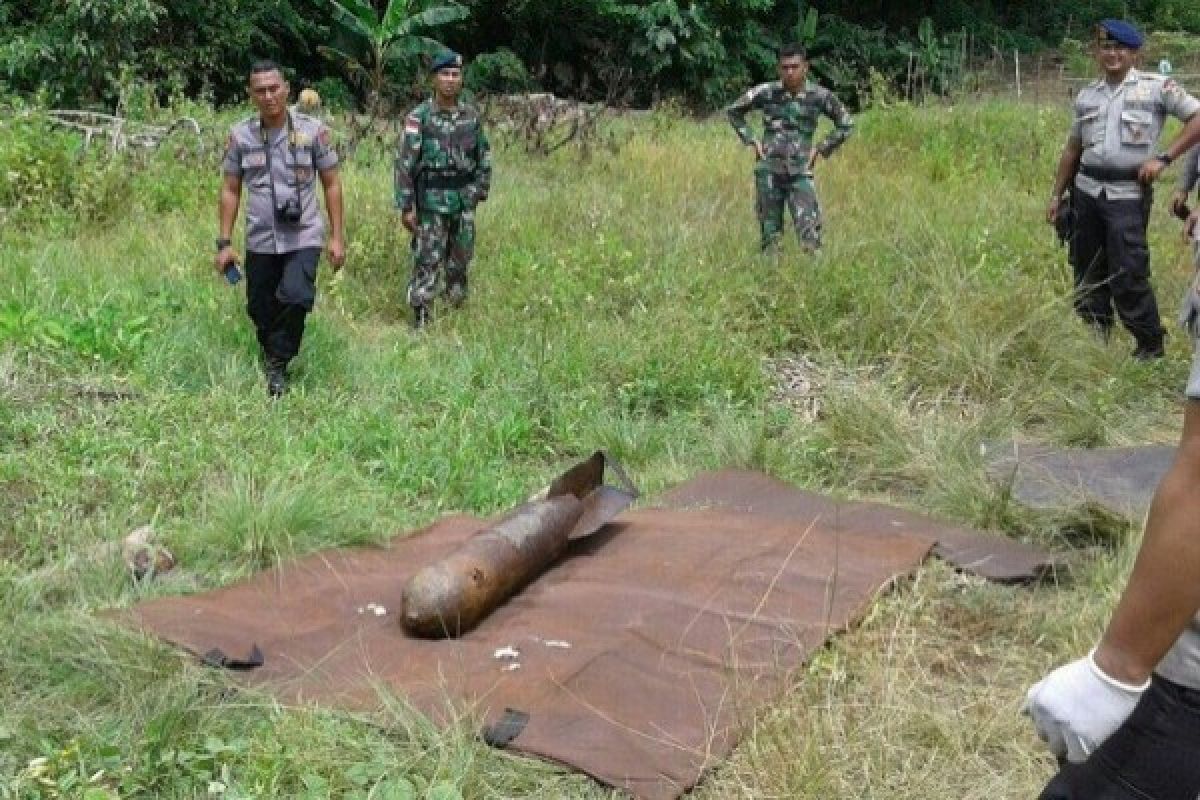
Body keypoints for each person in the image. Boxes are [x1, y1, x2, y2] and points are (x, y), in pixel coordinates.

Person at [1046, 20, 1200, 360]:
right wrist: (1057, 195)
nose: (1112, 54)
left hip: (1126, 195)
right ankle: (1095, 337)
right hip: (1086, 191)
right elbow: (1072, 150)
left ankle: (1149, 346)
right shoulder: (1088, 95)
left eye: (1120, 48)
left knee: (1128, 271)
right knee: (1086, 267)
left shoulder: (1157, 88)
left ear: (1134, 53)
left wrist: (1164, 158)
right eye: (1106, 47)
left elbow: (1197, 118)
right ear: (1097, 51)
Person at [215, 61, 345, 397]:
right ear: (251, 95)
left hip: (303, 233)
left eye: (274, 88)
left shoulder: (313, 131)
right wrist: (224, 243)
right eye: (261, 90)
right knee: (260, 305)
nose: (269, 96)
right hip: (261, 236)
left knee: (297, 296)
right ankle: (273, 348)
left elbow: (331, 183)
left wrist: (337, 236)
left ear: (287, 89)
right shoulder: (240, 135)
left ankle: (277, 365)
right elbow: (230, 189)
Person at [394, 50, 492, 329]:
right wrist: (406, 205)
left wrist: (477, 192)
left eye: (455, 74)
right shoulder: (419, 117)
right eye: (445, 74)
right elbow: (404, 163)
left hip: (463, 201)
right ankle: (422, 315)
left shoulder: (471, 117)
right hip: (430, 202)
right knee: (428, 258)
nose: (450, 80)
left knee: (460, 260)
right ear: (434, 79)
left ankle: (455, 312)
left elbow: (483, 157)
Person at [726, 42, 854, 253]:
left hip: (800, 172)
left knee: (810, 236)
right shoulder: (767, 92)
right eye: (785, 67)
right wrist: (751, 140)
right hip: (769, 172)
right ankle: (771, 280)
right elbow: (734, 111)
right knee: (770, 237)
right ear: (779, 69)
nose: (790, 72)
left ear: (806, 67)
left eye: (795, 66)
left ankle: (813, 280)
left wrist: (821, 148)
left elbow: (846, 124)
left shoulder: (819, 96)